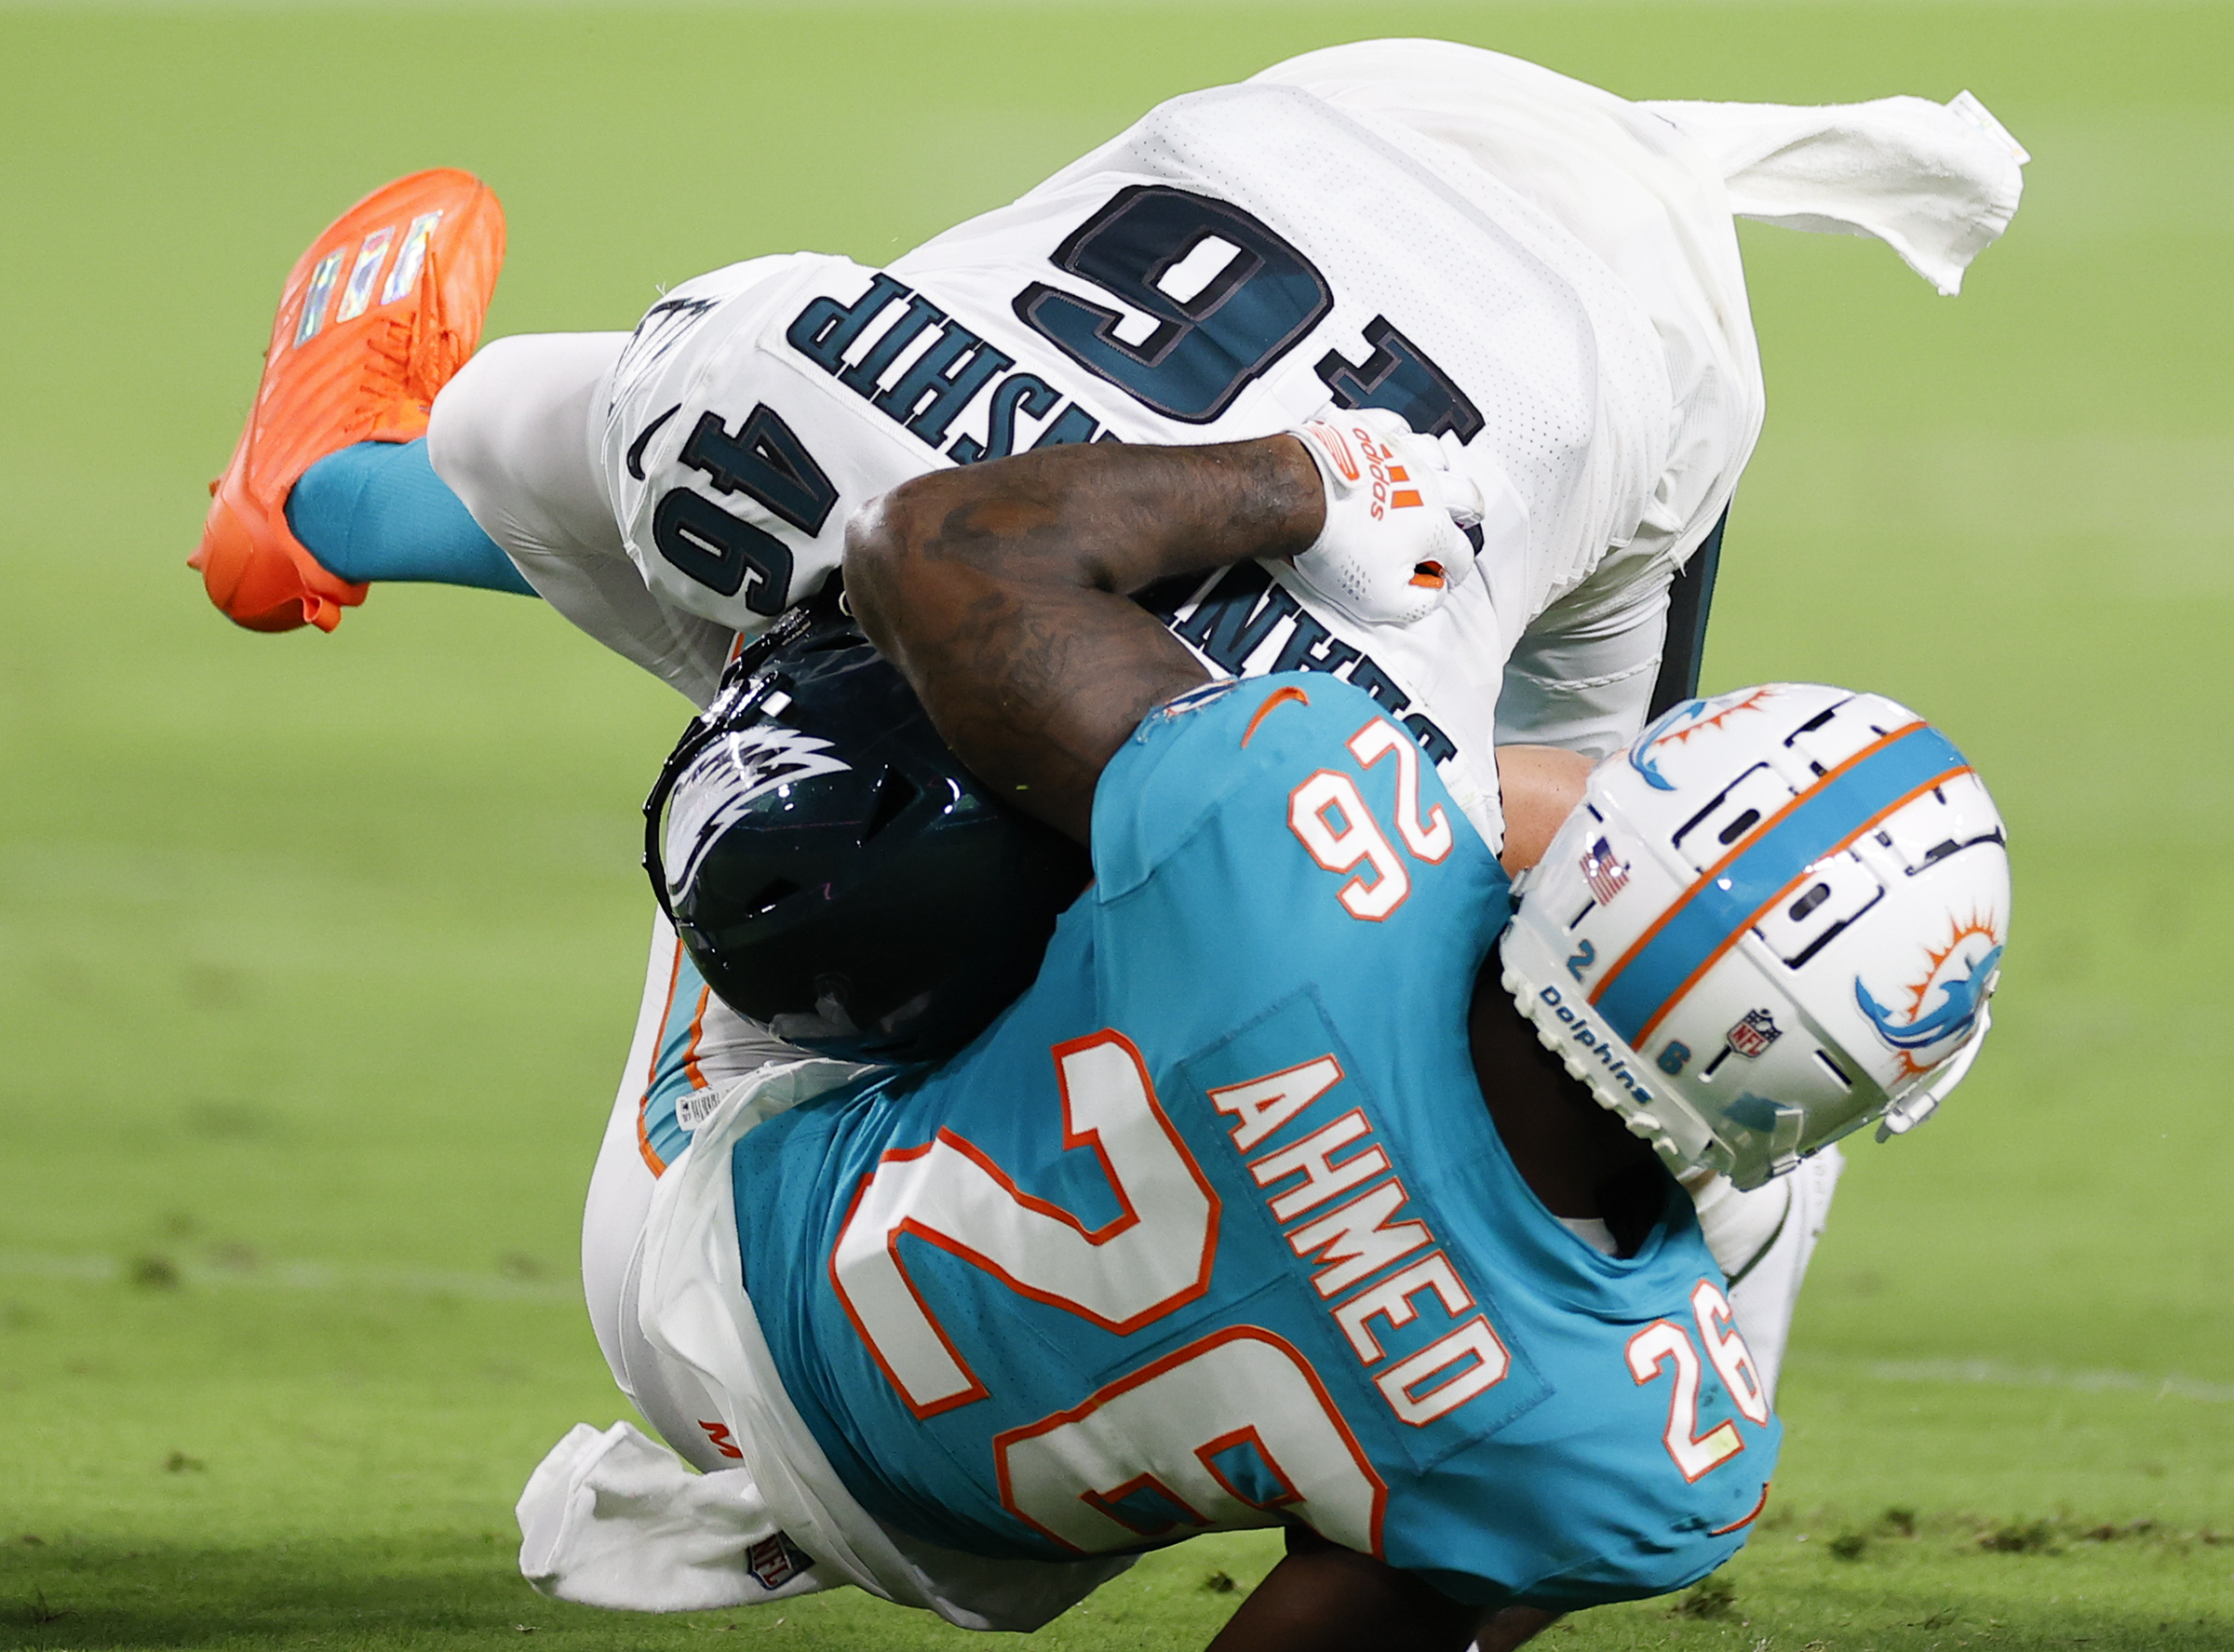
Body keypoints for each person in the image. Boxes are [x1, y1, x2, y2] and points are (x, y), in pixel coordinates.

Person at [191, 40, 2027, 1409]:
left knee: (1647, 989)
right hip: (1307, 141)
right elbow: (515, 435)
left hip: (1625, 319)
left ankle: (1681, 1377)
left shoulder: (1341, 748)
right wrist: (325, 500)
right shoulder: (743, 407)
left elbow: (1663, 841)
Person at [512, 429, 2009, 1648]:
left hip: (697, 1261)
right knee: (1572, 1386)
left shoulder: (1300, 821)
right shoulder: (1647, 1452)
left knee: (876, 685)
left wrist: (1322, 475)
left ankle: (373, 490)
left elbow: (935, 544)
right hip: (955, 1535)